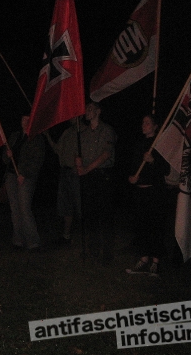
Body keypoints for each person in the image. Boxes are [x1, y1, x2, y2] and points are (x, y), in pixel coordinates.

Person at [126, 114, 170, 275]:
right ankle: (144, 258)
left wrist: (152, 160)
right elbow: (133, 167)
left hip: (155, 192)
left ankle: (156, 261)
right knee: (141, 226)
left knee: (155, 226)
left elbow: (166, 169)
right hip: (140, 192)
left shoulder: (160, 145)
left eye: (147, 122)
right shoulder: (139, 144)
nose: (144, 125)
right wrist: (132, 178)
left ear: (155, 126)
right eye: (143, 122)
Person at [75, 101, 117, 265]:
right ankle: (93, 248)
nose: (87, 111)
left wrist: (87, 168)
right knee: (90, 214)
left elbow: (106, 154)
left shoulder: (106, 130)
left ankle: (107, 252)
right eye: (86, 108)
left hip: (103, 176)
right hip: (89, 178)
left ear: (98, 111)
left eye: (90, 109)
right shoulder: (84, 133)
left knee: (105, 214)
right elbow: (79, 154)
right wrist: (78, 163)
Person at [2, 113, 45, 251]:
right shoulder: (15, 136)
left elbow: (37, 160)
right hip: (11, 175)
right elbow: (4, 158)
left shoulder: (36, 138)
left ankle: (33, 241)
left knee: (24, 208)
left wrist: (24, 174)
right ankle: (18, 240)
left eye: (28, 119)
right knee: (14, 208)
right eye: (23, 119)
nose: (25, 122)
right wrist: (8, 155)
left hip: (25, 177)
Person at [45, 116, 85, 245]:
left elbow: (88, 153)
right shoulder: (67, 132)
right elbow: (58, 149)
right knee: (66, 206)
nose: (71, 118)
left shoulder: (85, 132)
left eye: (74, 115)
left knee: (80, 205)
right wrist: (47, 136)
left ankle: (84, 237)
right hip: (65, 172)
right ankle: (66, 235)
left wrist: (79, 166)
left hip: (78, 173)